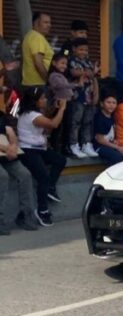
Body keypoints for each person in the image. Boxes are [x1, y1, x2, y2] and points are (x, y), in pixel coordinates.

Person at [17, 87, 66, 227]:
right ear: (35, 101)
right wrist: (62, 109)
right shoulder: (31, 115)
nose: (45, 100)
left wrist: (55, 109)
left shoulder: (35, 114)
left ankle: (50, 188)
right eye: (42, 98)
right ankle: (42, 210)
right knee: (43, 177)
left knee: (60, 160)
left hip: (39, 148)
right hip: (28, 150)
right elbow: (53, 124)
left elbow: (46, 119)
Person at [0, 81, 37, 234]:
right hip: (4, 151)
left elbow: (10, 132)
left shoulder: (1, 115)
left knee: (25, 175)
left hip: (7, 154)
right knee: (2, 176)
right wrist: (6, 148)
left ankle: (26, 216)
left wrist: (13, 146)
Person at [66, 38, 98, 158]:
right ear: (74, 49)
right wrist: (87, 73)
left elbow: (93, 76)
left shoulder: (88, 61)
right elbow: (73, 72)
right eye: (81, 49)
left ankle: (86, 144)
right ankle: (73, 144)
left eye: (86, 50)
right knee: (76, 121)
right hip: (77, 97)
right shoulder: (71, 60)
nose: (84, 52)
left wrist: (95, 93)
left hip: (88, 96)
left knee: (88, 122)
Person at [46, 54, 76, 155]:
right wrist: (74, 84)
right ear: (54, 63)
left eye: (66, 64)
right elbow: (59, 85)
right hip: (60, 103)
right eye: (62, 63)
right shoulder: (53, 75)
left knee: (68, 126)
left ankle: (64, 147)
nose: (64, 66)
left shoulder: (61, 75)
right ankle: (55, 147)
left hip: (68, 102)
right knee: (58, 126)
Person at [93, 94, 123, 165]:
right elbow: (100, 140)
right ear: (102, 104)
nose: (111, 105)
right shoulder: (99, 118)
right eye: (108, 102)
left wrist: (115, 141)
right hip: (99, 146)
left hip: (110, 145)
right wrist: (118, 148)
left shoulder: (112, 117)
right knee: (116, 156)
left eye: (114, 103)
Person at [21, 12, 54, 89]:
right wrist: (48, 80)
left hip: (32, 83)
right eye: (45, 22)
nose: (49, 25)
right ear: (36, 23)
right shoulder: (37, 37)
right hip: (38, 84)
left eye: (49, 23)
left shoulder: (31, 35)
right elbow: (38, 62)